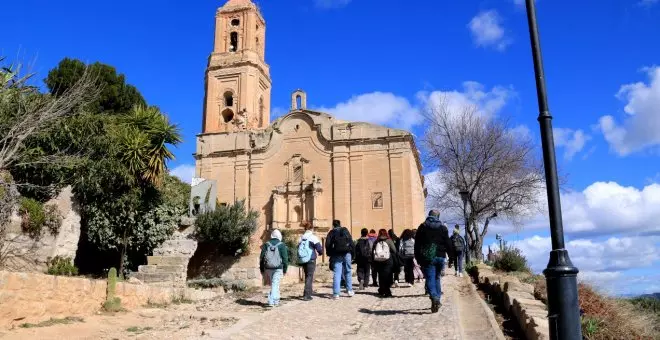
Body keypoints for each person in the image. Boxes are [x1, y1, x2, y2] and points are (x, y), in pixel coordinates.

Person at [414, 210, 452, 313]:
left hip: (427, 257)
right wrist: (451, 257)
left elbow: (417, 244)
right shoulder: (443, 228)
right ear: (438, 216)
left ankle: (434, 297)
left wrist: (417, 257)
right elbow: (448, 243)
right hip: (440, 256)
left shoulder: (422, 227)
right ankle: (437, 300)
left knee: (430, 277)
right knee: (437, 277)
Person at [325, 219, 355, 299]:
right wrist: (353, 253)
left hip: (336, 254)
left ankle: (336, 294)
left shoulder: (331, 232)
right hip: (347, 253)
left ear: (333, 225)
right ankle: (349, 290)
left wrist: (329, 253)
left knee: (337, 273)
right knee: (348, 271)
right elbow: (351, 241)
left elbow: (327, 244)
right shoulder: (345, 230)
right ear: (339, 224)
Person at [259, 229, 289, 307]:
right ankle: (272, 301)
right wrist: (285, 269)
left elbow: (261, 258)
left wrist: (262, 269)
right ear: (279, 236)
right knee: (275, 283)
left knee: (274, 283)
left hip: (268, 268)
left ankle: (276, 301)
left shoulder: (266, 244)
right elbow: (285, 259)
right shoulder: (282, 245)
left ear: (272, 235)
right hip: (278, 268)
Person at [298, 222, 323, 301]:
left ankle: (309, 291)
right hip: (311, 259)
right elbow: (319, 248)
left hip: (303, 259)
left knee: (307, 276)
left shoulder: (301, 237)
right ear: (311, 229)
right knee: (309, 276)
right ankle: (306, 295)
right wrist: (320, 253)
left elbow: (298, 247)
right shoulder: (313, 237)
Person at [372, 229, 397, 298]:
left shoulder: (376, 241)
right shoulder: (389, 240)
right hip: (388, 260)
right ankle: (387, 291)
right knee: (388, 275)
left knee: (381, 276)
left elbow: (373, 252)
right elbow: (394, 250)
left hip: (378, 261)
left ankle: (382, 290)